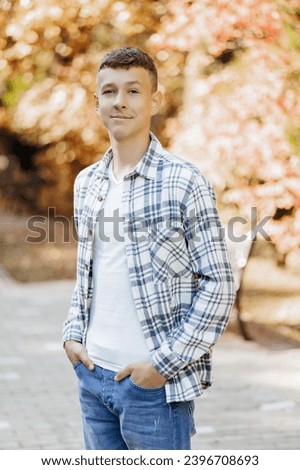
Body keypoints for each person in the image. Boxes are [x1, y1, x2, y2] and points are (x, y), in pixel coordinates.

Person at [62, 47, 236, 450]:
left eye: (133, 91)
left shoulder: (184, 181)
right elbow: (87, 272)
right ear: (97, 102)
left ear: (154, 100)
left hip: (153, 389)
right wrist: (72, 337)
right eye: (109, 91)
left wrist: (164, 365)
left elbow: (219, 284)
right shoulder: (87, 183)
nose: (119, 101)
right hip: (92, 377)